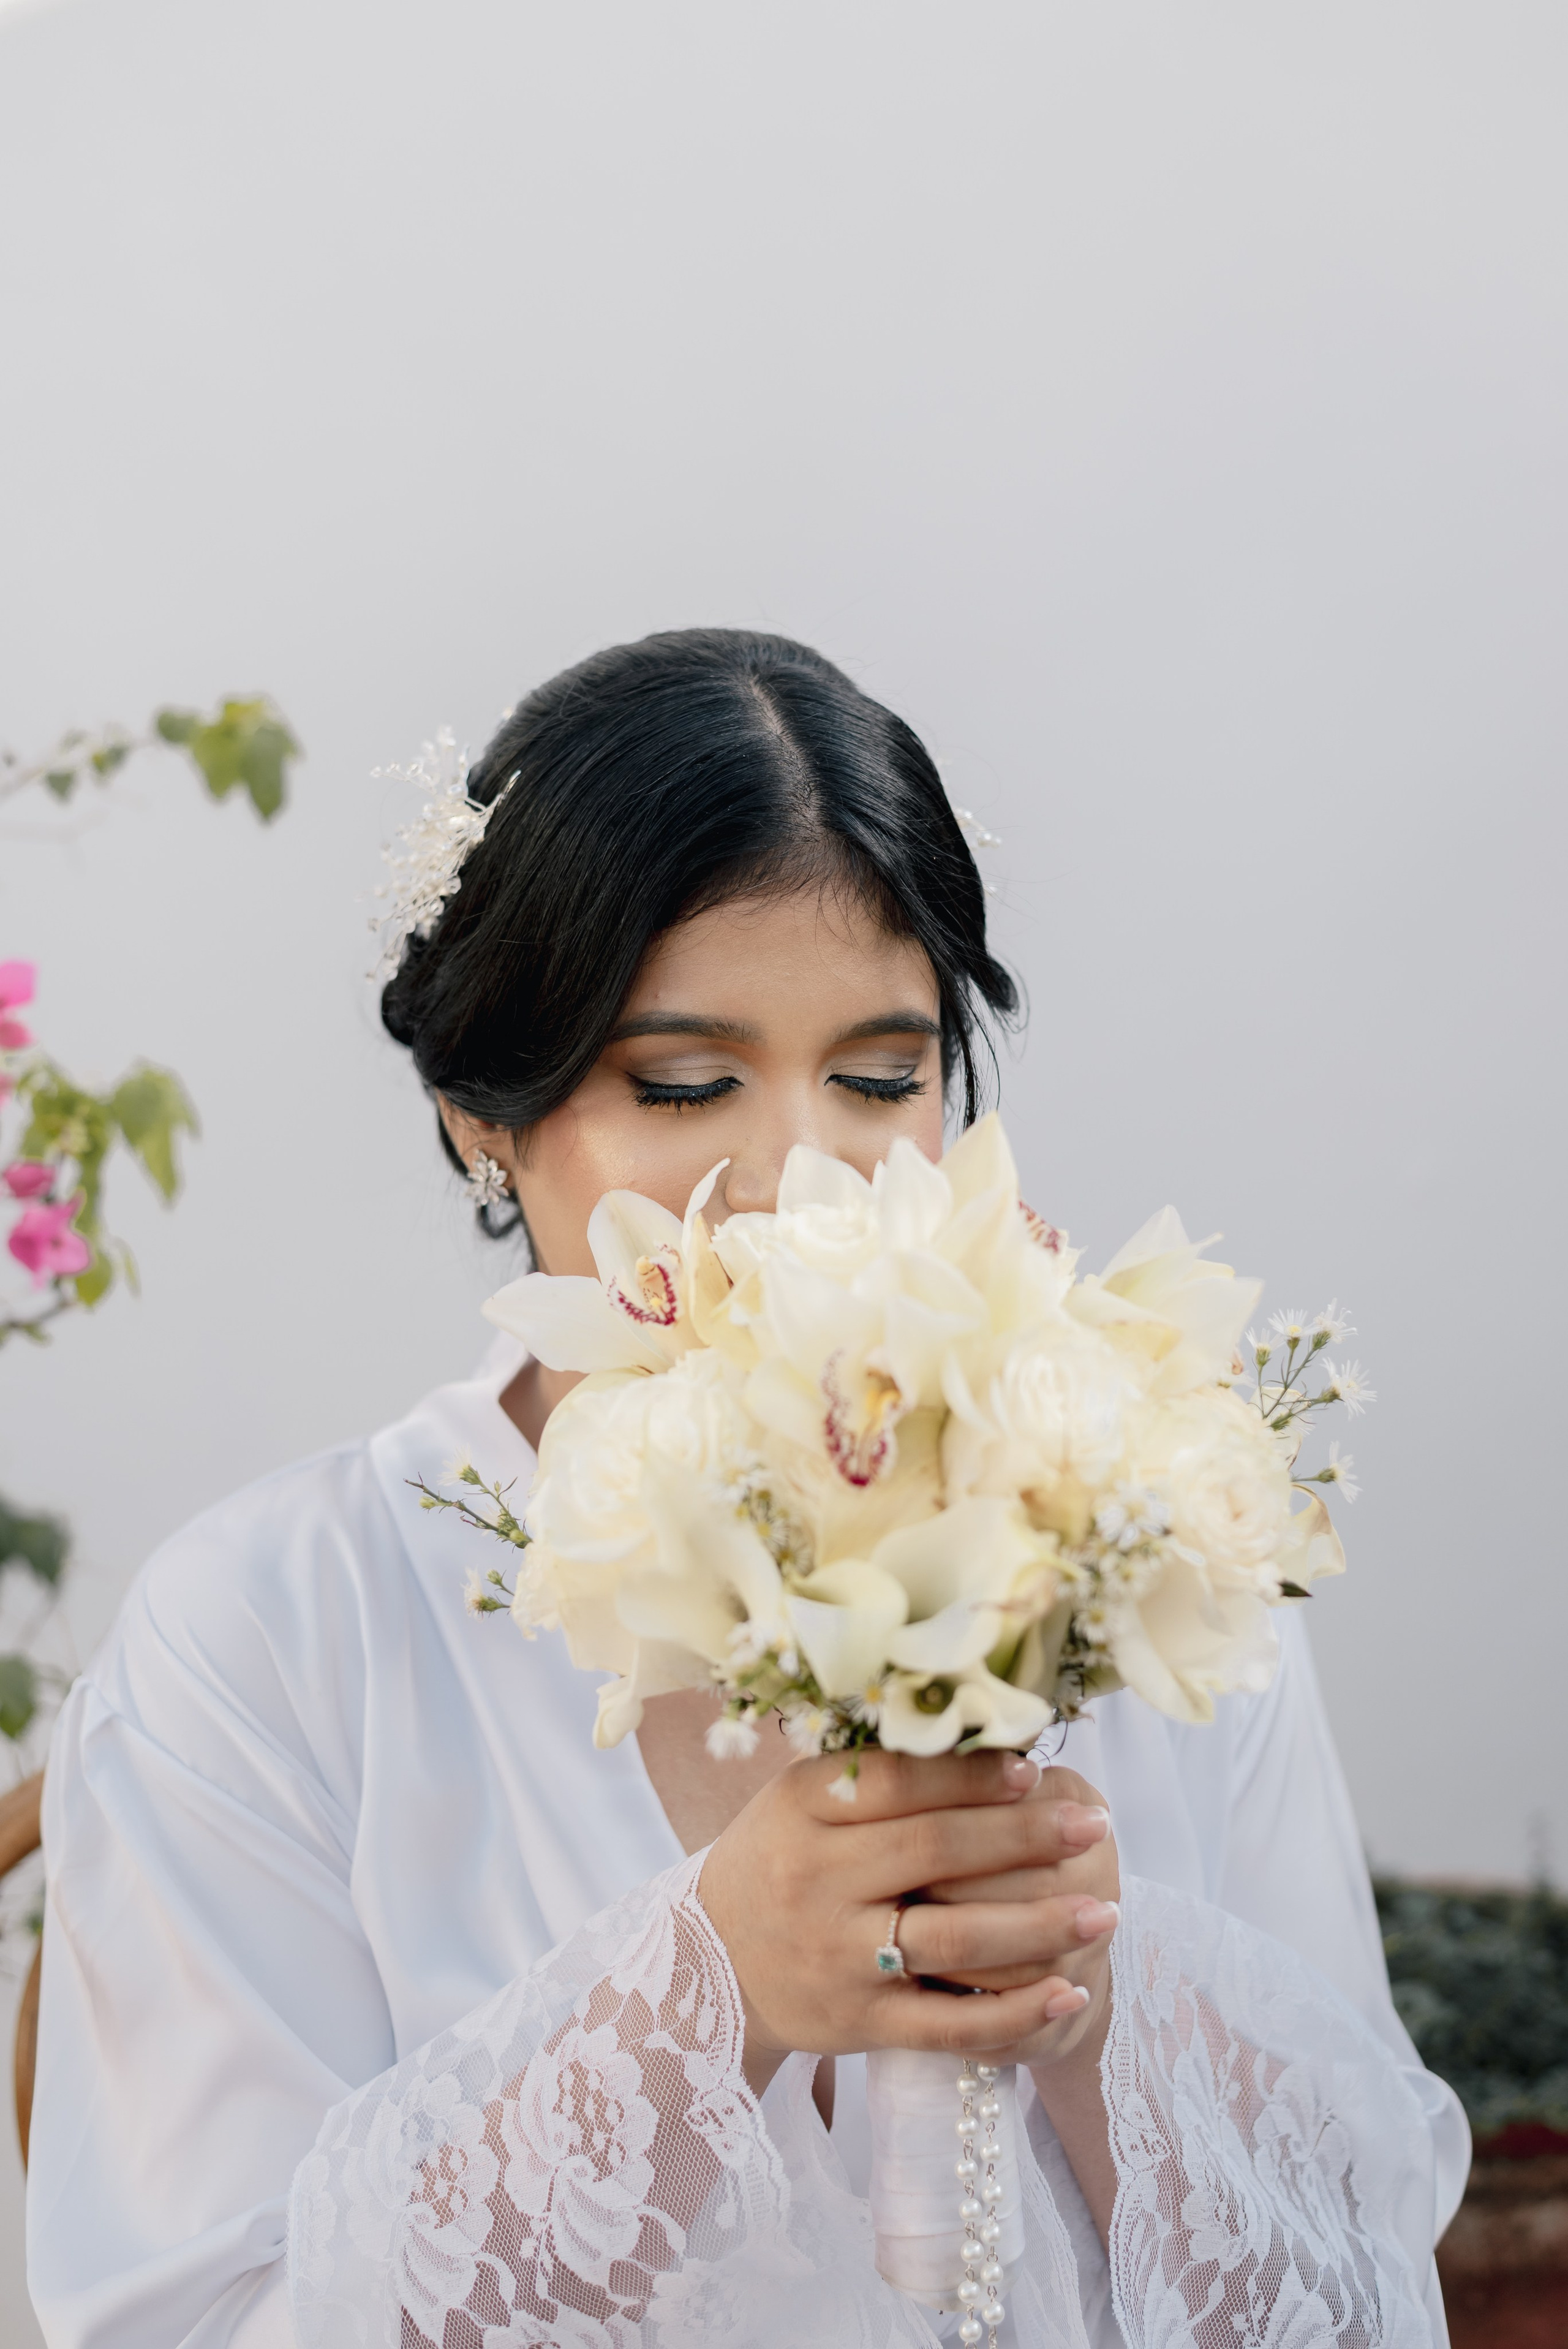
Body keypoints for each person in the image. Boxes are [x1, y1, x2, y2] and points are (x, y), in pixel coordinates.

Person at [28, 630, 1468, 2348]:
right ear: (478, 1110)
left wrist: (1093, 2010)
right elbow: (189, 2321)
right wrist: (710, 1992)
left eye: (882, 1076)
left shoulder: (1134, 1529)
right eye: (686, 1082)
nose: (803, 1183)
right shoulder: (269, 1630)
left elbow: (1371, 2289)